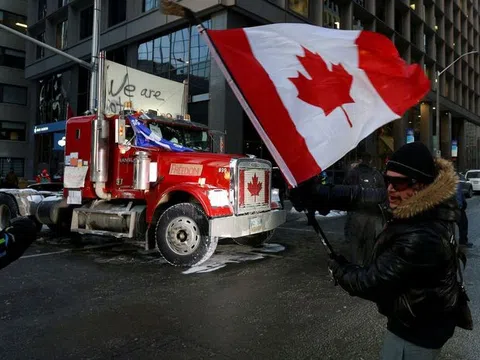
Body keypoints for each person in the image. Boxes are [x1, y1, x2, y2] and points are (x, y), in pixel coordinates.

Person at [326, 142, 470, 359]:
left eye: (399, 182)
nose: (390, 189)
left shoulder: (421, 235)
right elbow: (359, 195)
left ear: (421, 185)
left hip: (417, 332)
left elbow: (371, 282)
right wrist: (321, 194)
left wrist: (339, 268)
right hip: (423, 320)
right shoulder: (430, 208)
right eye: (387, 180)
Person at [343, 152, 386, 265]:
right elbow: (383, 192)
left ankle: (355, 265)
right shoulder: (376, 174)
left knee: (354, 240)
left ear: (361, 160)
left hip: (356, 212)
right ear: (370, 161)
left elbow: (345, 190)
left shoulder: (353, 173)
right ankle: (368, 265)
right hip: (372, 213)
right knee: (370, 240)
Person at [456, 183, 473, 248]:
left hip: (458, 207)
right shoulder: (454, 182)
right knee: (463, 224)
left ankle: (463, 241)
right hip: (458, 208)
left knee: (463, 224)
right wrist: (460, 206)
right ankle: (463, 242)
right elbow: (458, 195)